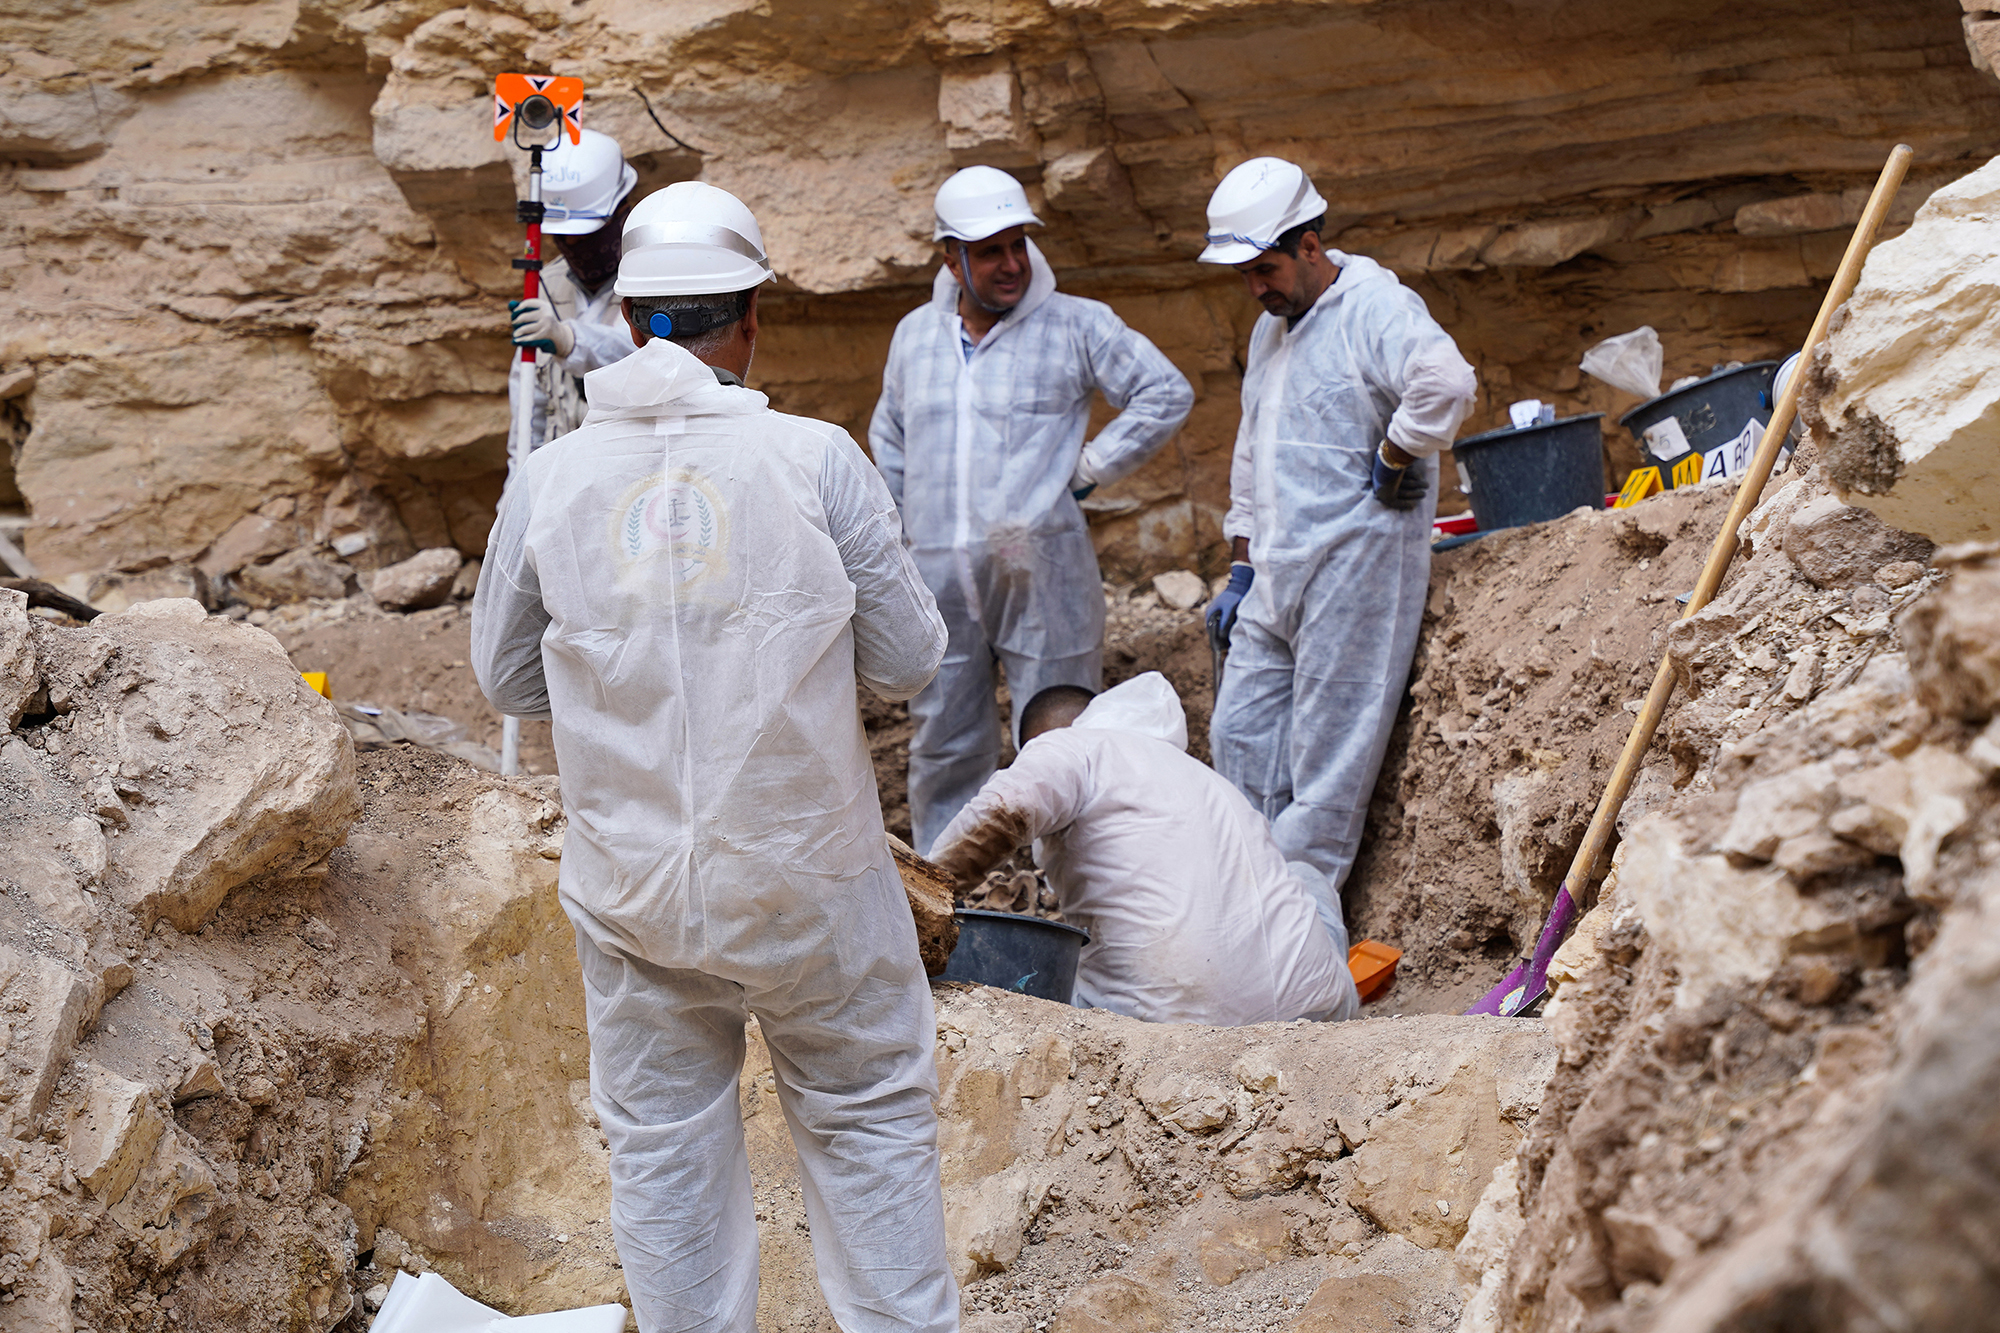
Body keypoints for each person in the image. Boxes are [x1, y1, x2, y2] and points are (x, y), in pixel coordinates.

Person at [471, 180, 958, 1333]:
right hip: (808, 885)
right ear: (749, 318)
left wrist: (618, 689)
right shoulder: (813, 458)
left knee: (664, 1159)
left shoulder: (552, 476)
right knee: (868, 1124)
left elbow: (505, 680)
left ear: (633, 319)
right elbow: (905, 661)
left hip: (631, 888)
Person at [870, 165, 1194, 856]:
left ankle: (1074, 884)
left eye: (1019, 244)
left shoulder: (1075, 324)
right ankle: (946, 886)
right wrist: (899, 530)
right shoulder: (915, 337)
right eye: (991, 251)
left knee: (1061, 732)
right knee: (944, 735)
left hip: (1039, 568)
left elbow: (1163, 392)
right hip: (938, 574)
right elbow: (889, 436)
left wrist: (1088, 470)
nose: (1012, 263)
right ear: (949, 257)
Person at [1199, 157, 1477, 892]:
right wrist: (1240, 565)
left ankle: (1298, 927)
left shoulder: (1373, 308)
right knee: (1238, 734)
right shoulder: (1273, 330)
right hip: (1278, 569)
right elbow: (1253, 450)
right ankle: (1243, 903)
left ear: (1310, 246)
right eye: (1246, 275)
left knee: (1328, 763)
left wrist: (1396, 449)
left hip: (1356, 566)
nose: (1256, 287)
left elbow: (1446, 382)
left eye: (1266, 269)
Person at [929, 673, 1359, 1025]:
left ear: (1041, 740)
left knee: (1045, 990)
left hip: (1172, 1029)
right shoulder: (1203, 776)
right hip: (1317, 1009)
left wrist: (922, 895)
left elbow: (1005, 809)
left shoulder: (1069, 746)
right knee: (1304, 876)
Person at [507, 127, 645, 445]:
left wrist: (568, 339)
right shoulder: (545, 286)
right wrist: (518, 491)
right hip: (560, 476)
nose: (572, 244)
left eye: (585, 234)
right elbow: (528, 416)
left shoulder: (657, 280)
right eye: (563, 235)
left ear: (622, 210)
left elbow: (651, 356)